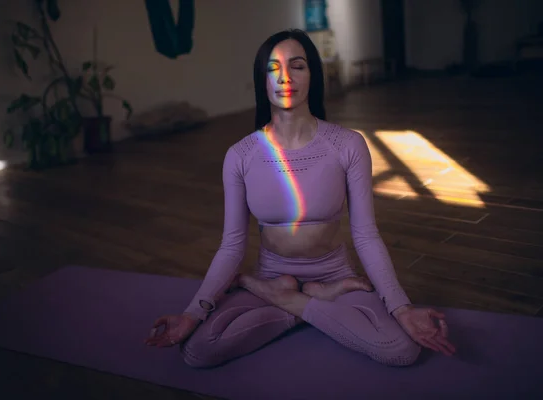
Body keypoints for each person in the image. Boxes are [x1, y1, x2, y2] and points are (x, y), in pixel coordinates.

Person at [145, 29, 456, 368]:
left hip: (336, 278)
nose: (285, 77)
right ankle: (299, 298)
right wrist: (192, 314)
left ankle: (295, 298)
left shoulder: (347, 145)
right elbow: (232, 244)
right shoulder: (240, 155)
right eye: (273, 68)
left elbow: (365, 234)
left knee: (401, 349)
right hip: (271, 274)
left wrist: (402, 308)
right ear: (261, 80)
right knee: (198, 350)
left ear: (313, 76)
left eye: (297, 66)